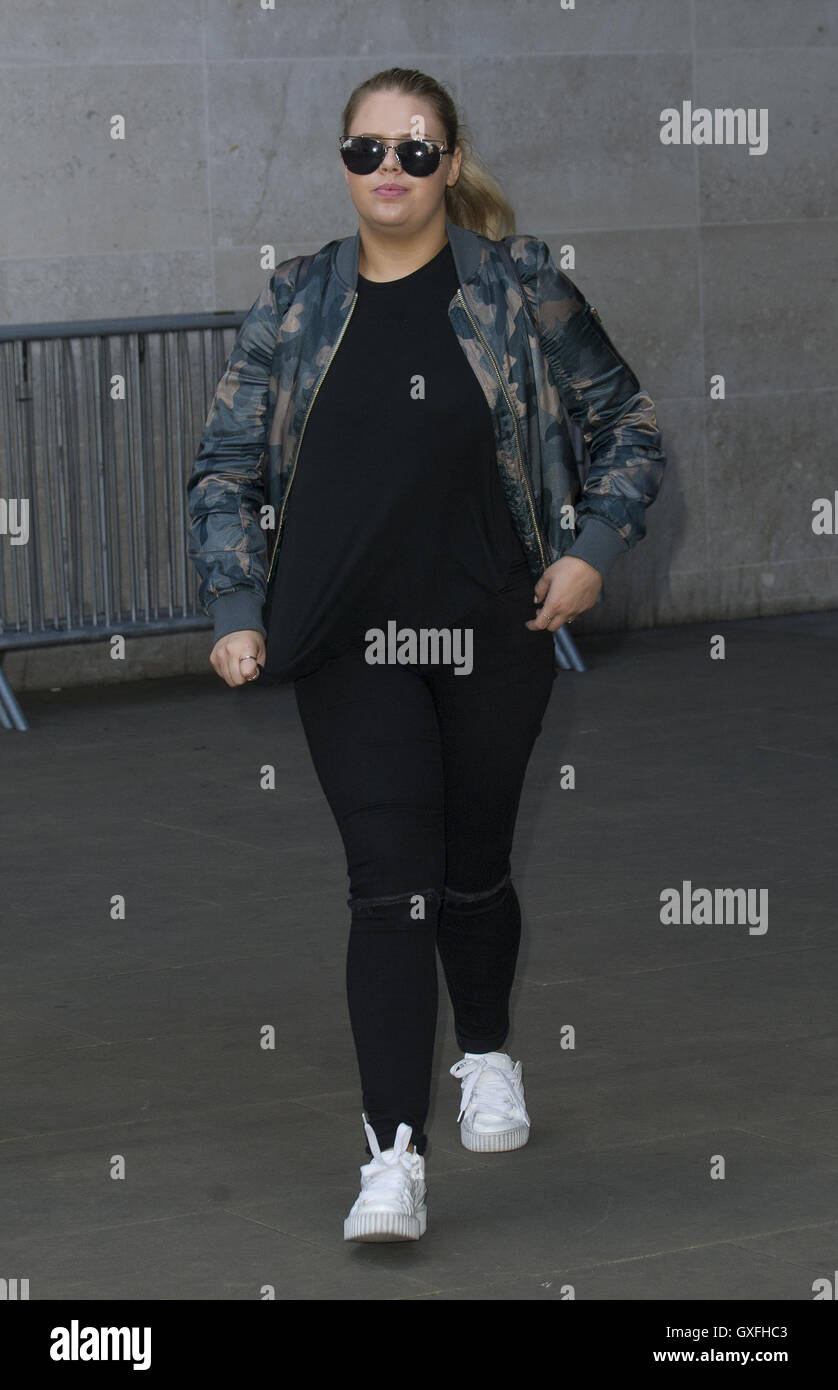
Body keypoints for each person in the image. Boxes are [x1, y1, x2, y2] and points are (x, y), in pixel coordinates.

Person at [186, 66, 666, 1244]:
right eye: (365, 153)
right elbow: (223, 466)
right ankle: (391, 1155)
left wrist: (594, 546)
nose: (387, 173)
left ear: (450, 164)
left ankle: (489, 1051)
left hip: (490, 623)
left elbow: (630, 424)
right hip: (350, 638)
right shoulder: (294, 302)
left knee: (470, 867)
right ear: (341, 166)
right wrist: (235, 602)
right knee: (389, 883)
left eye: (413, 152)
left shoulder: (519, 291)